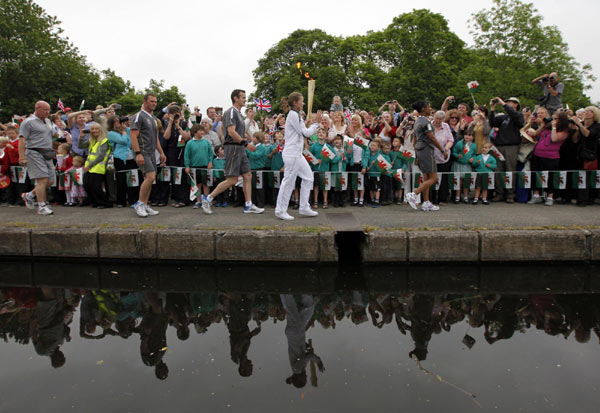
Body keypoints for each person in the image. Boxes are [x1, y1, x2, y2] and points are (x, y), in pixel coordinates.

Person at [200, 89, 264, 215]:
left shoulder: (239, 114)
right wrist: (246, 144)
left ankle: (248, 204)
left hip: (240, 147)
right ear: (236, 98)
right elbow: (231, 131)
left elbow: (241, 131)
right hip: (233, 147)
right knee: (232, 180)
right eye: (243, 97)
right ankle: (208, 199)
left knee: (247, 176)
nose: (245, 99)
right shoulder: (231, 112)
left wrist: (249, 140)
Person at [274, 91, 322, 221]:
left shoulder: (295, 115)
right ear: (295, 103)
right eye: (301, 101)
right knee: (288, 182)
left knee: (308, 177)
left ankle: (304, 207)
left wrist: (311, 124)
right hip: (292, 153)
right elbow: (305, 133)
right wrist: (316, 123)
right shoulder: (293, 114)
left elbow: (302, 131)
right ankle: (280, 210)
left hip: (297, 153)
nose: (303, 103)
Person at [406, 101, 448, 211]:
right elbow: (432, 137)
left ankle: (426, 202)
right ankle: (414, 194)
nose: (430, 108)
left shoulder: (417, 121)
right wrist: (442, 150)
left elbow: (415, 138)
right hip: (426, 150)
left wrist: (416, 154)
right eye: (428, 106)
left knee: (426, 177)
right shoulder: (425, 122)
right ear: (424, 109)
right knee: (434, 178)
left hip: (420, 149)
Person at [130, 93, 167, 218]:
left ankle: (145, 204)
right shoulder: (138, 116)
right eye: (152, 101)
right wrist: (138, 153)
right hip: (143, 151)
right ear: (145, 101)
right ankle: (139, 204)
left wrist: (161, 153)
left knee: (150, 178)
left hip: (152, 152)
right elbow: (133, 135)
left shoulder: (154, 119)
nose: (154, 104)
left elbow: (156, 138)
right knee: (150, 177)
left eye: (155, 102)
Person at [18, 101, 55, 215]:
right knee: (42, 179)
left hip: (47, 152)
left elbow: (52, 134)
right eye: (45, 110)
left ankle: (29, 195)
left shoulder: (48, 121)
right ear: (37, 108)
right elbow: (22, 140)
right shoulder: (28, 122)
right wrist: (22, 157)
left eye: (48, 110)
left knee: (50, 181)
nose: (47, 112)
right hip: (34, 152)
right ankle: (41, 206)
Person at [528, 112, 569, 206]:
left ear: (561, 120)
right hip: (538, 154)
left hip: (551, 157)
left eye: (556, 119)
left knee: (551, 177)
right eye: (552, 118)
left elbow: (554, 139)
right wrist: (543, 126)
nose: (553, 120)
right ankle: (536, 195)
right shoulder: (547, 128)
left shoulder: (564, 131)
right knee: (535, 175)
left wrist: (554, 127)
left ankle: (550, 196)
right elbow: (536, 135)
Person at [488, 97, 524, 203]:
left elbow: (514, 115)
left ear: (516, 104)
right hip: (499, 146)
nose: (507, 103)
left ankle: (510, 194)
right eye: (507, 102)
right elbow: (493, 122)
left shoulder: (519, 115)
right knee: (498, 170)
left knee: (510, 170)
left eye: (510, 102)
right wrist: (492, 108)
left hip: (511, 146)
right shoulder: (504, 117)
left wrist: (503, 103)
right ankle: (499, 193)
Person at [78, 122, 113, 208]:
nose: (94, 131)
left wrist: (89, 166)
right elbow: (81, 146)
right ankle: (95, 202)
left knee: (95, 187)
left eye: (96, 129)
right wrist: (81, 136)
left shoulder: (104, 140)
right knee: (87, 185)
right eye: (92, 129)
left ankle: (104, 203)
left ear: (100, 130)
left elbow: (101, 156)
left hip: (98, 167)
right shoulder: (92, 140)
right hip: (90, 167)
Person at [107, 115, 137, 208]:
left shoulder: (127, 130)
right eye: (116, 121)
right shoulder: (111, 133)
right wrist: (124, 132)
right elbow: (123, 141)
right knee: (121, 180)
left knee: (132, 179)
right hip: (119, 157)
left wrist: (126, 129)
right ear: (112, 123)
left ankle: (133, 200)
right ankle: (121, 201)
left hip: (130, 157)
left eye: (119, 121)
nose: (118, 123)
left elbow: (132, 141)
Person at [184, 124, 213, 208]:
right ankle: (198, 201)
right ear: (195, 132)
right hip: (194, 167)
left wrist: (210, 162)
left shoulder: (206, 142)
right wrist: (187, 166)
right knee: (197, 184)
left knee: (206, 184)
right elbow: (187, 156)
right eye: (200, 131)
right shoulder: (190, 143)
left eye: (202, 130)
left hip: (205, 166)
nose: (202, 132)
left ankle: (206, 200)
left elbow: (210, 154)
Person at [451, 129, 477, 204]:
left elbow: (474, 155)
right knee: (459, 181)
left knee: (466, 181)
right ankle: (457, 197)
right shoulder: (459, 143)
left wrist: (473, 159)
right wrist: (457, 156)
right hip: (459, 164)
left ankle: (466, 197)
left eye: (469, 135)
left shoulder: (474, 146)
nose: (467, 136)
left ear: (473, 137)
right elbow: (454, 152)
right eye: (466, 134)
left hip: (467, 165)